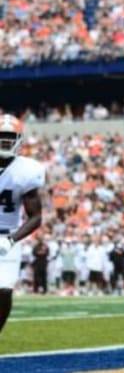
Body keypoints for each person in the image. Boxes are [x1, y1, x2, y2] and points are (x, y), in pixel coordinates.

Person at [0, 114, 44, 333]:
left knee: (4, 290)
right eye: (1, 136)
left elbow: (36, 216)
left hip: (8, 236)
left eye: (10, 137)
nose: (5, 141)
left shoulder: (26, 170)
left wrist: (12, 239)